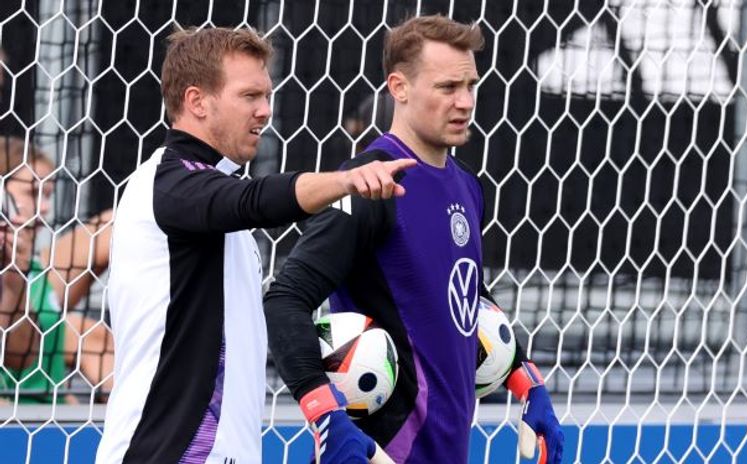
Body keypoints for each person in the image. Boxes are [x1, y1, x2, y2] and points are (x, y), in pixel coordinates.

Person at [95, 26, 415, 464]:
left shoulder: (208, 188)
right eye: (249, 96)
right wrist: (346, 181)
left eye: (267, 95)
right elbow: (255, 201)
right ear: (197, 102)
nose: (265, 111)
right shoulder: (166, 184)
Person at [265, 15, 563, 464]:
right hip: (380, 453)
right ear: (399, 88)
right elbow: (284, 299)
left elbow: (464, 294)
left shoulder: (467, 186)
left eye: (471, 85)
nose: (464, 102)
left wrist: (527, 380)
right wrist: (326, 417)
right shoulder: (367, 184)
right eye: (447, 88)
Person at [0, 136, 114, 404]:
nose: (44, 207)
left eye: (48, 194)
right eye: (32, 192)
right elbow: (17, 355)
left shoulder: (38, 270)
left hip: (47, 420)